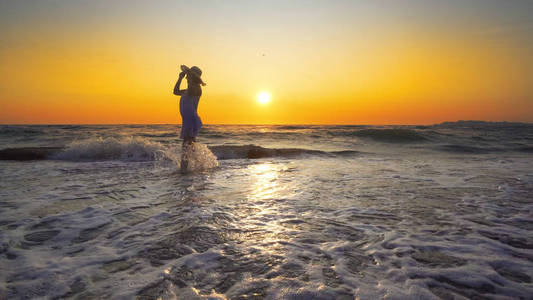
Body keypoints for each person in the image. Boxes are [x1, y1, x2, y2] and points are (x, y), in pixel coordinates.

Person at [173, 65, 206, 172]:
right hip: (188, 121)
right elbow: (175, 91)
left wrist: (189, 73)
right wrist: (180, 78)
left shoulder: (196, 89)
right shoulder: (188, 90)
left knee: (186, 146)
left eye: (188, 76)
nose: (187, 78)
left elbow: (192, 82)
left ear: (192, 77)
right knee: (190, 146)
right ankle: (199, 166)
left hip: (190, 120)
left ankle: (184, 170)